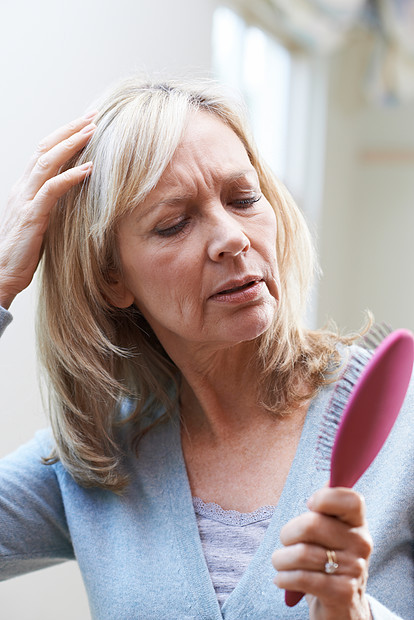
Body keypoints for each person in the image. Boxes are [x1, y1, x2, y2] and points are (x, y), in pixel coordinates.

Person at [0, 76, 412, 620]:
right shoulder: (93, 459)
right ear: (111, 279)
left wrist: (356, 612)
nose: (232, 238)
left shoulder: (403, 423)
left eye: (244, 198)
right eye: (174, 224)